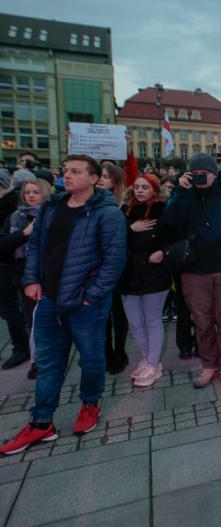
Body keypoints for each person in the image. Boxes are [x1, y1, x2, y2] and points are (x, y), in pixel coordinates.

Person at [0, 155, 126, 455]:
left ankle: (90, 403)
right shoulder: (52, 207)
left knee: (92, 359)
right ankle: (41, 422)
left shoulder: (107, 214)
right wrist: (32, 280)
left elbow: (114, 261)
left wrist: (90, 295)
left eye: (75, 171)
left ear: (94, 178)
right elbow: (37, 247)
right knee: (48, 364)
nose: (67, 176)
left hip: (86, 304)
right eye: (65, 170)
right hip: (49, 300)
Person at [161, 153, 221, 389]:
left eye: (206, 173)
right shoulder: (184, 197)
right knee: (202, 323)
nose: (202, 177)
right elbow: (169, 222)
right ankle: (209, 364)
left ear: (214, 173)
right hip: (193, 271)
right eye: (197, 173)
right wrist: (180, 191)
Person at [120, 174, 174, 388]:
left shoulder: (164, 212)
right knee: (135, 323)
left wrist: (163, 252)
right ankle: (147, 358)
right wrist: (129, 229)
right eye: (137, 187)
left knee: (152, 320)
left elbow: (173, 240)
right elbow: (110, 239)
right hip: (129, 275)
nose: (140, 190)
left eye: (145, 187)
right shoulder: (123, 213)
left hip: (154, 274)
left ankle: (152, 363)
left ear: (154, 190)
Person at [0, 178, 50, 371]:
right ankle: (36, 360)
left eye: (35, 192)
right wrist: (24, 233)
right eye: (27, 192)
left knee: (50, 319)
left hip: (49, 274)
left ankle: (50, 356)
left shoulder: (53, 214)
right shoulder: (15, 217)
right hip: (23, 274)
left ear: (44, 193)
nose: (30, 195)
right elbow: (3, 244)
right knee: (32, 319)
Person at [97, 162, 129, 374]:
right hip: (96, 267)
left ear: (115, 181)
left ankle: (120, 351)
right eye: (99, 175)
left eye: (106, 177)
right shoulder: (89, 203)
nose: (100, 179)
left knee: (118, 312)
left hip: (118, 267)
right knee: (102, 315)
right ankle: (106, 352)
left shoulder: (124, 206)